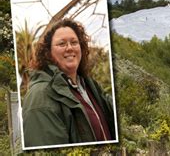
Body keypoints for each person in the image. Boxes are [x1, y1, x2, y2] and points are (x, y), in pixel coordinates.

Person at [22, 19, 115, 147]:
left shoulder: (88, 86)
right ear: (48, 53)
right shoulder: (40, 96)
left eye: (74, 42)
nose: (70, 48)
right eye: (62, 44)